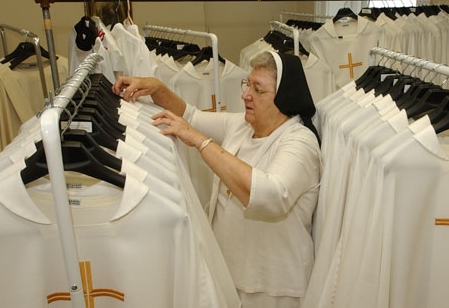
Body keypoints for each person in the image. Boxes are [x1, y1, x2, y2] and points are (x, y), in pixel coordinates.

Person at [112, 51, 322, 308]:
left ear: (284, 97)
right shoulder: (242, 126)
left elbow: (270, 194)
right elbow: (191, 116)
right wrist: (157, 89)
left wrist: (200, 141)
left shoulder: (299, 142)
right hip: (230, 271)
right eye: (248, 85)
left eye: (258, 89)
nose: (246, 95)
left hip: (273, 287)